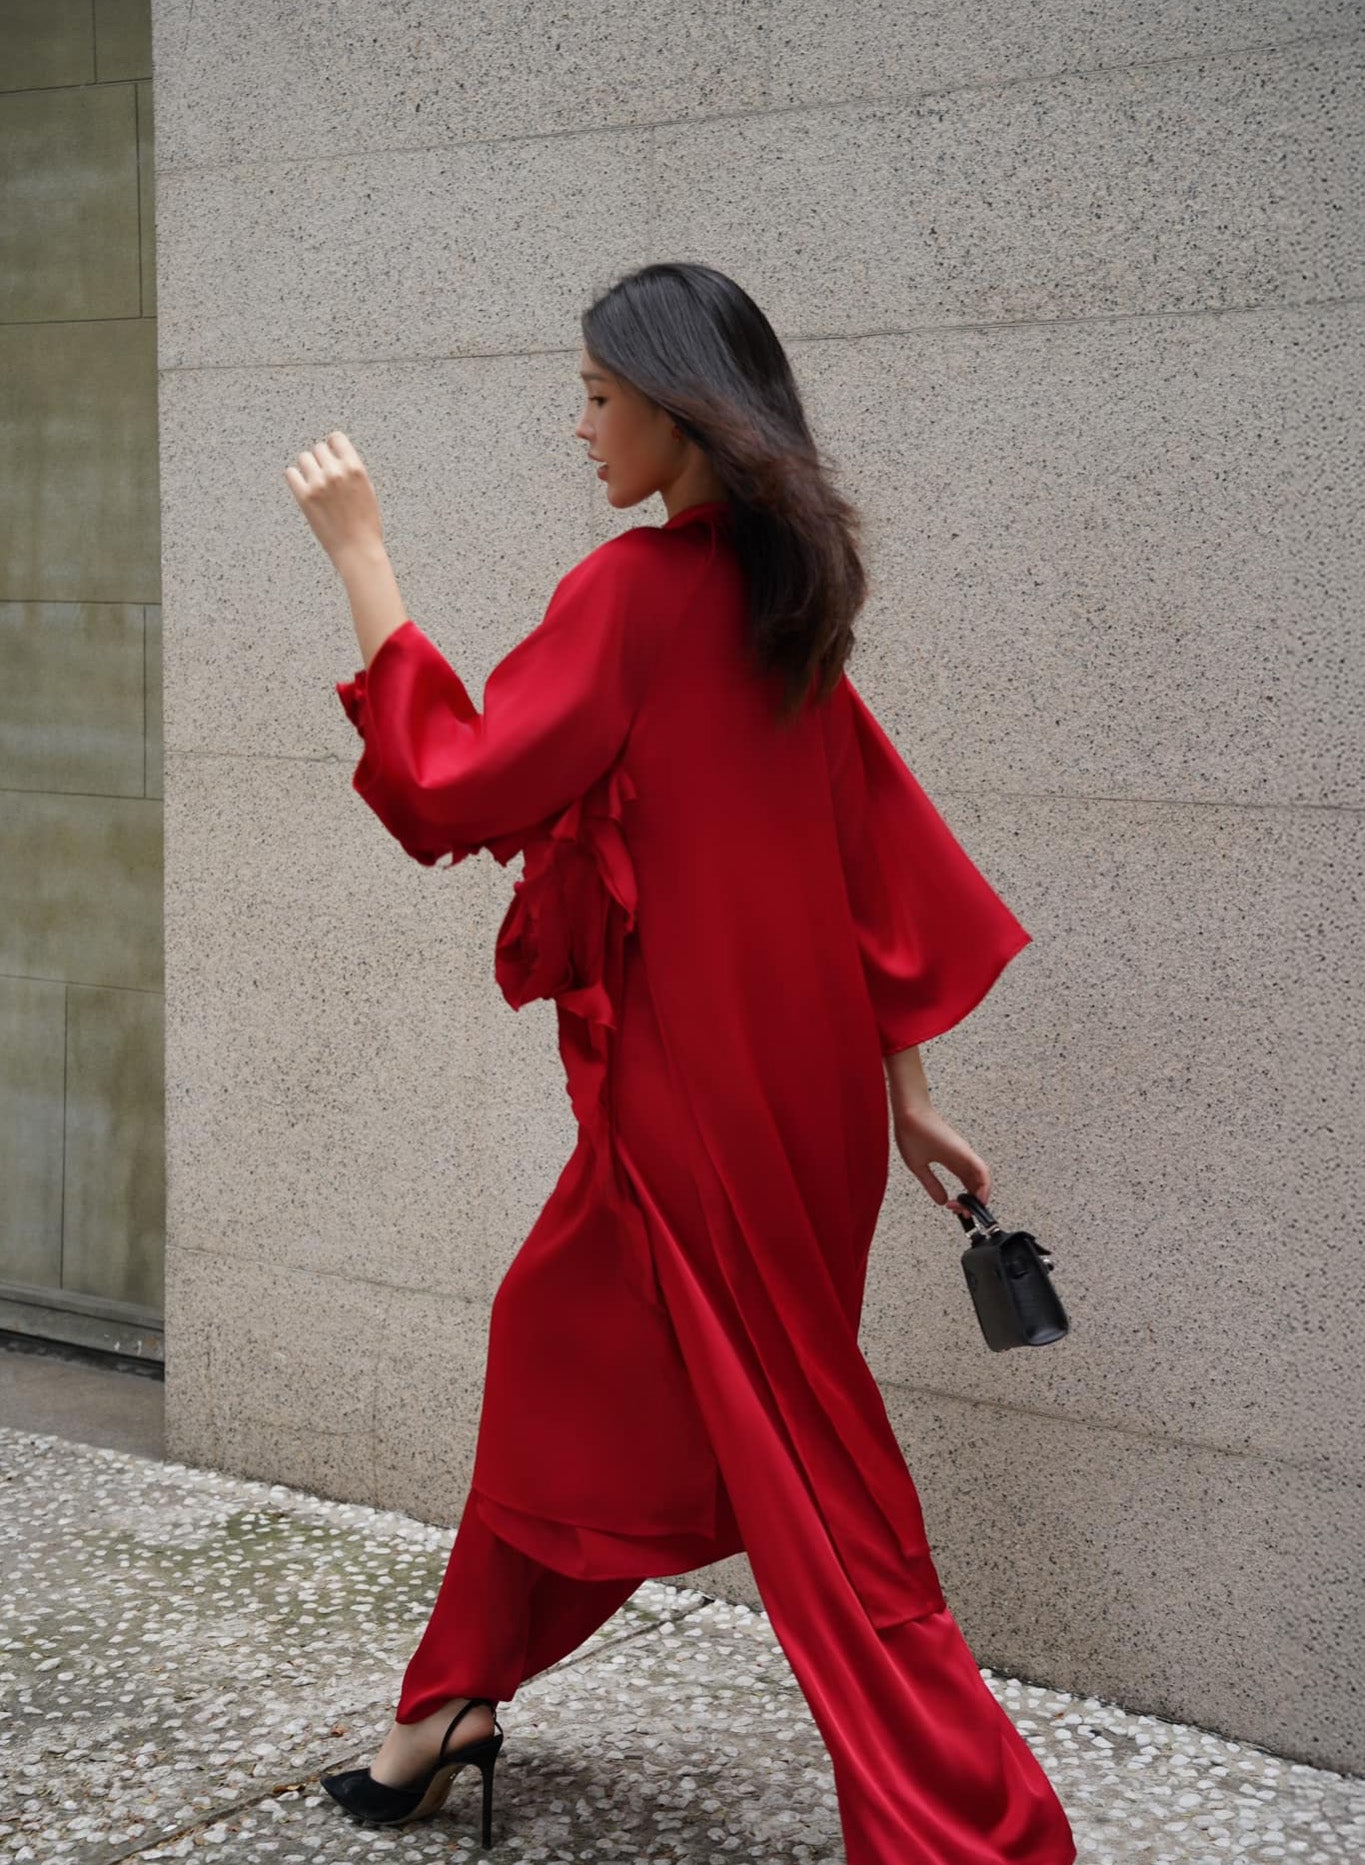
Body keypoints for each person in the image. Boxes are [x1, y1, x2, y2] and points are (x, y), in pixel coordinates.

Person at [284, 261, 1076, 1865]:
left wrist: (361, 553)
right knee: (557, 1345)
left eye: (593, 397)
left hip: (696, 1104)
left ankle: (973, 1825)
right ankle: (447, 1706)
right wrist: (904, 1096)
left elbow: (452, 784)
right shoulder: (787, 607)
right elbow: (877, 879)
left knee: (806, 1460)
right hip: (795, 1102)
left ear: (675, 411)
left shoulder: (639, 596)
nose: (577, 428)